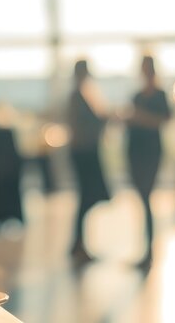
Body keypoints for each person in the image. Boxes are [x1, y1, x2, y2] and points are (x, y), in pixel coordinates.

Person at [125, 56, 171, 268]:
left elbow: (164, 120)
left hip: (151, 153)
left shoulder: (159, 96)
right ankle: (146, 248)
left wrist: (142, 118)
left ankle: (149, 249)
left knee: (146, 197)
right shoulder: (136, 96)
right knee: (143, 200)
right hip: (136, 152)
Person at [67, 60, 110, 264]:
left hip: (83, 151)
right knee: (85, 197)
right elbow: (88, 123)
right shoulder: (78, 96)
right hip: (84, 152)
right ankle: (77, 244)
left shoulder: (80, 95)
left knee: (85, 198)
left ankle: (78, 243)